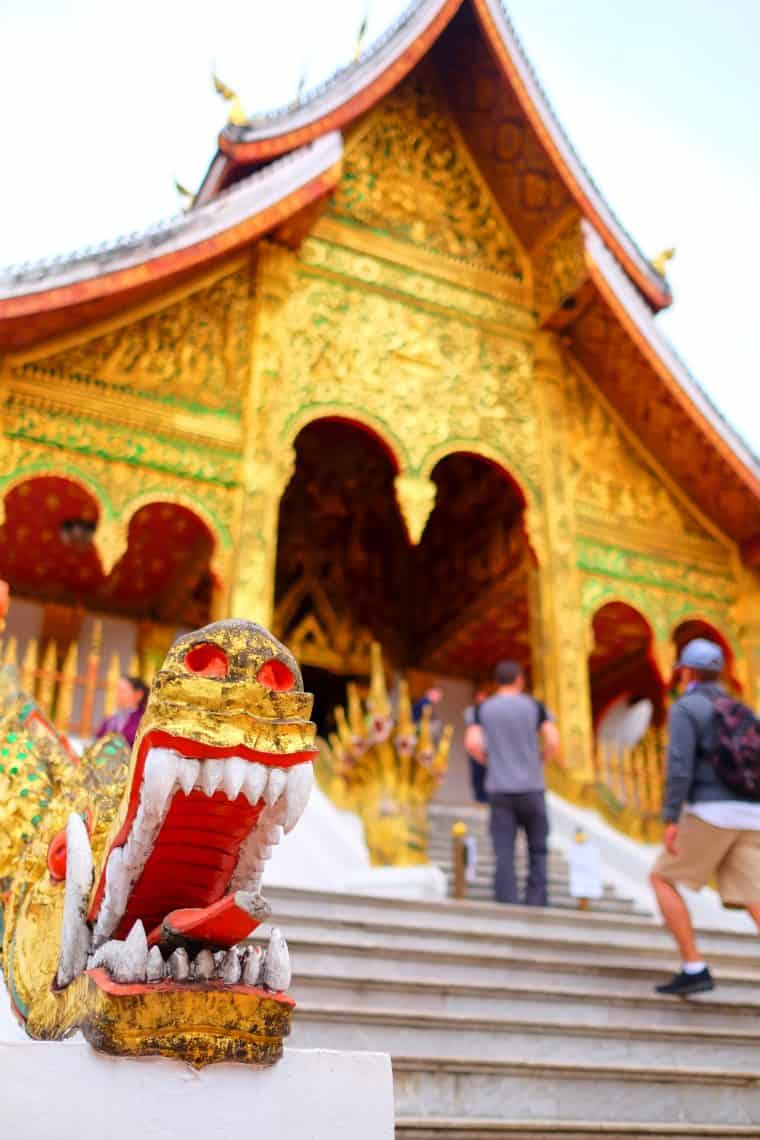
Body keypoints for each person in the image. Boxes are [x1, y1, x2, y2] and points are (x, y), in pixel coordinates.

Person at [650, 638, 760, 996]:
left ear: (687, 671)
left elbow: (679, 766)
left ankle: (693, 966)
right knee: (755, 895)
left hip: (712, 812)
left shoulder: (688, 707)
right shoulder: (742, 709)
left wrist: (670, 817)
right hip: (752, 814)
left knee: (661, 878)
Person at [465, 660, 560, 906]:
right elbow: (552, 739)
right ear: (519, 679)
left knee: (504, 849)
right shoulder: (535, 706)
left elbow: (473, 743)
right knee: (537, 849)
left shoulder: (482, 709)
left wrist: (491, 761)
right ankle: (536, 899)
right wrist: (540, 760)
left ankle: (506, 898)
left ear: (497, 682)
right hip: (532, 788)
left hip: (500, 789)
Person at [96, 674, 149, 747]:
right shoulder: (111, 719)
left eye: (122, 691)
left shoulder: (144, 721)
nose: (117, 694)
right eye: (116, 690)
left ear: (138, 694)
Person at [464, 689, 489, 804]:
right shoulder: (471, 711)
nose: (481, 699)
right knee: (477, 774)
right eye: (479, 697)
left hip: (488, 748)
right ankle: (479, 798)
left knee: (487, 774)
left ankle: (487, 798)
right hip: (475, 748)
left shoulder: (490, 711)